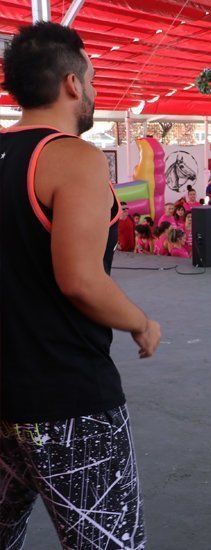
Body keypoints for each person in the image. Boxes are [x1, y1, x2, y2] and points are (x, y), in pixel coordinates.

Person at [0, 22, 161, 549]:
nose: (93, 91)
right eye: (91, 79)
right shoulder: (73, 158)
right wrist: (141, 322)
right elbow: (81, 281)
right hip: (68, 401)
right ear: (72, 83)